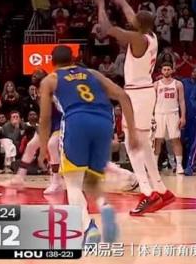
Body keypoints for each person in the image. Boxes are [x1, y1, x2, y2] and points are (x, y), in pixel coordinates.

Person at [87, 0, 175, 216]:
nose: (131, 18)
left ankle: (147, 192)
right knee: (143, 143)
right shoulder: (151, 35)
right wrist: (122, 1)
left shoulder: (137, 38)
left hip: (137, 94)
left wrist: (100, 3)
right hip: (144, 91)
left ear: (138, 24)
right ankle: (161, 190)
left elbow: (106, 29)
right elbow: (133, 17)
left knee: (132, 143)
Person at [38, 45, 138, 244]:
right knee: (92, 179)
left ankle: (88, 227)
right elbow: (123, 96)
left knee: (73, 183)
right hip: (104, 122)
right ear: (74, 58)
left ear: (52, 62)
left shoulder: (50, 79)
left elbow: (45, 118)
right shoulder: (92, 73)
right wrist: (132, 134)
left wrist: (43, 149)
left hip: (77, 122)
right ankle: (105, 207)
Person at [153, 63, 186, 174]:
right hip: (159, 114)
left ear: (172, 70)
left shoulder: (178, 84)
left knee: (175, 139)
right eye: (164, 69)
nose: (166, 71)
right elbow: (152, 101)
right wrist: (151, 116)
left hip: (173, 114)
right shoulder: (156, 84)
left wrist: (183, 116)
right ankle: (154, 165)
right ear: (161, 71)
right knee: (157, 140)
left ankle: (179, 165)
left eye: (168, 69)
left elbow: (181, 101)